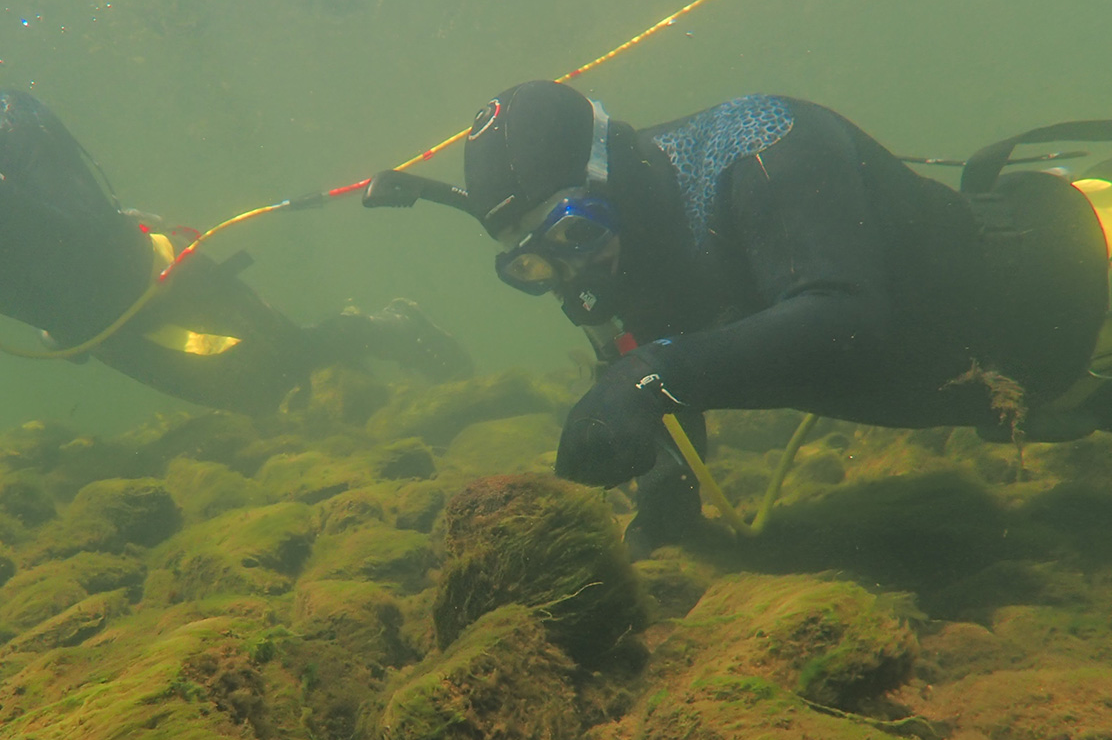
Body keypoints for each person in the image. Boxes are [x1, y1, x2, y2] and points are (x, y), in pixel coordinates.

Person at [0, 0, 470, 492]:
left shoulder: (10, 120)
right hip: (94, 330)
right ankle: (360, 338)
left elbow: (87, 241)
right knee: (265, 391)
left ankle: (380, 327)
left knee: (277, 376)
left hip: (153, 278)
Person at [363, 80, 1112, 549]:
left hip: (1078, 277)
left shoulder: (766, 149)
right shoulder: (622, 244)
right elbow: (652, 364)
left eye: (574, 233)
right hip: (1041, 383)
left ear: (612, 173)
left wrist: (650, 377)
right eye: (532, 264)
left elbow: (843, 317)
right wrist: (663, 500)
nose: (573, 274)